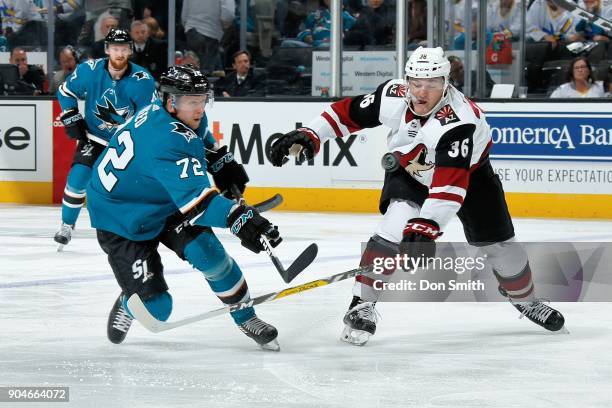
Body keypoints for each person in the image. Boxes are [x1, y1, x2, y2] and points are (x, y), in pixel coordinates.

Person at [269, 47, 566, 345]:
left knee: (503, 248)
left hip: (471, 177)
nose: (423, 92)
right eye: (417, 82)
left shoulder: (460, 120)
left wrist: (426, 227)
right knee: (393, 230)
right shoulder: (393, 94)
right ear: (407, 79)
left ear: (446, 83)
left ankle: (524, 300)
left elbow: (449, 185)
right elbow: (347, 113)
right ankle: (361, 304)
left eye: (433, 83)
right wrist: (312, 133)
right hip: (411, 171)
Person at [86, 64, 281, 350]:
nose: (199, 109)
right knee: (158, 308)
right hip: (121, 217)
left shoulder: (174, 112)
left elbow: (205, 144)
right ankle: (129, 299)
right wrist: (239, 218)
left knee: (211, 257)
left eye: (202, 100)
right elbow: (200, 206)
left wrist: (221, 163)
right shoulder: (164, 139)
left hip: (162, 199)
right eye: (193, 102)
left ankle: (246, 316)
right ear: (170, 100)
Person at [54, 28, 156, 248]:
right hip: (94, 138)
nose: (119, 53)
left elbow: (149, 116)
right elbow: (65, 91)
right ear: (107, 49)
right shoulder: (90, 70)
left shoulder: (142, 80)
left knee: (130, 188)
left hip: (126, 144)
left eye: (123, 49)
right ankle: (66, 225)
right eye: (115, 48)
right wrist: (70, 113)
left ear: (130, 50)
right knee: (78, 177)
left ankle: (133, 226)